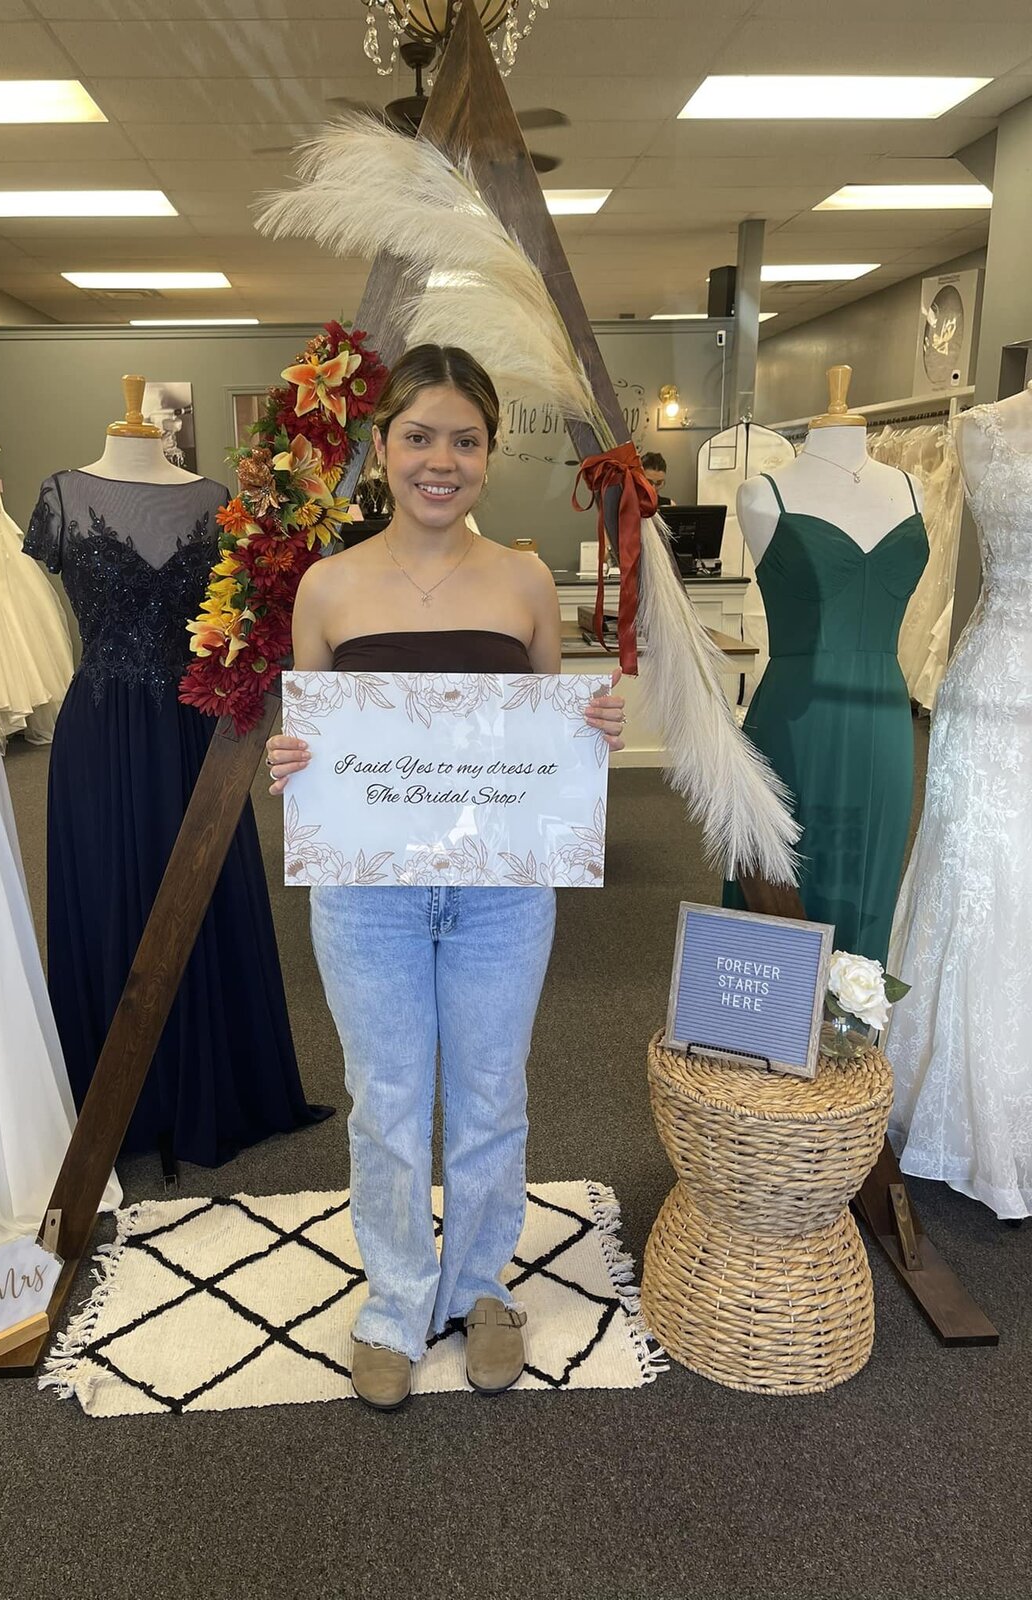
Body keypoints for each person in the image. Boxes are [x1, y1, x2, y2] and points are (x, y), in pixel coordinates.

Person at [266, 344, 625, 1409]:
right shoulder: (327, 586)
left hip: (500, 888)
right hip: (368, 892)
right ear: (380, 447)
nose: (441, 459)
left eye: (464, 439)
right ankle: (393, 1296)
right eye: (419, 435)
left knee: (487, 1094)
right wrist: (297, 761)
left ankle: (477, 1284)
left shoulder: (521, 579)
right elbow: (312, 739)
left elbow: (543, 741)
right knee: (383, 1099)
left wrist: (589, 731)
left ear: (486, 453)